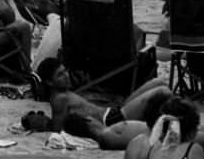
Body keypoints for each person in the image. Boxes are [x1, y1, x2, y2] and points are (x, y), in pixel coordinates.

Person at [36, 57, 172, 133]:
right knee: (164, 92)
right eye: (60, 75)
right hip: (113, 120)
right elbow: (57, 130)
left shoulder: (63, 93)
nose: (66, 76)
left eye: (65, 71)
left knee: (159, 82)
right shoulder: (59, 99)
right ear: (49, 82)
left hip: (115, 111)